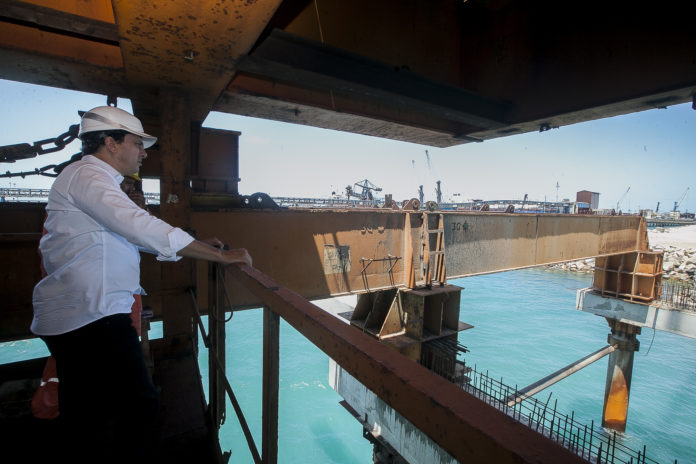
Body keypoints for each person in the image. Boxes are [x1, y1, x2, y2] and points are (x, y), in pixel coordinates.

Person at [30, 106, 252, 463]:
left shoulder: (89, 178)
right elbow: (137, 225)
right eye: (137, 143)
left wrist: (195, 246)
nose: (144, 152)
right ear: (110, 143)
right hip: (93, 316)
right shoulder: (88, 175)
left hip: (84, 314)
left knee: (88, 410)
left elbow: (127, 235)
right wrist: (221, 257)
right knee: (139, 405)